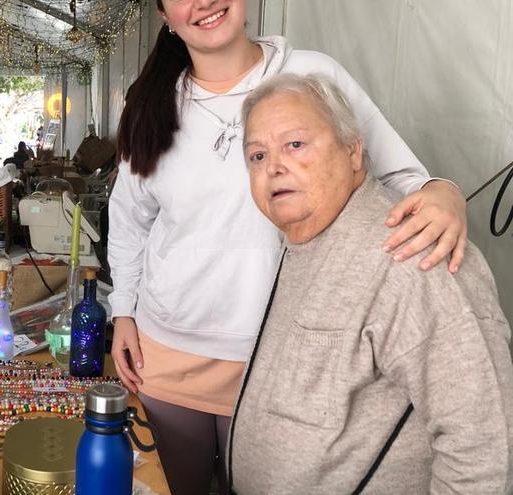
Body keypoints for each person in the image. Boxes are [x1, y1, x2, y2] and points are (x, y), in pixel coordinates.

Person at [107, 2, 468, 494]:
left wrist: (443, 192)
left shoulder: (312, 73)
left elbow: (403, 177)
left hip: (289, 359)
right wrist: (123, 310)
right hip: (167, 354)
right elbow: (129, 221)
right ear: (164, 14)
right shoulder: (151, 103)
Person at [229, 73, 513, 494]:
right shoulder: (303, 238)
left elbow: (485, 447)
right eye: (257, 155)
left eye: (295, 144)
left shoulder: (414, 254)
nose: (274, 167)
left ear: (353, 151)